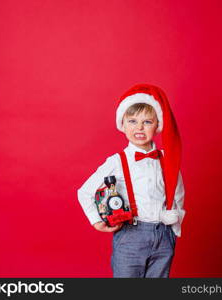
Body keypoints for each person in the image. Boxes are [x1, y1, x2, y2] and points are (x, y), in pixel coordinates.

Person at [77, 83, 185, 278]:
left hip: (163, 235)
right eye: (133, 121)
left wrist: (174, 225)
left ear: (158, 125)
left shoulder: (167, 159)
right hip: (130, 236)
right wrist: (96, 221)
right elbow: (84, 192)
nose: (139, 128)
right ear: (123, 125)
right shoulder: (117, 161)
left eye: (147, 122)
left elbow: (178, 193)